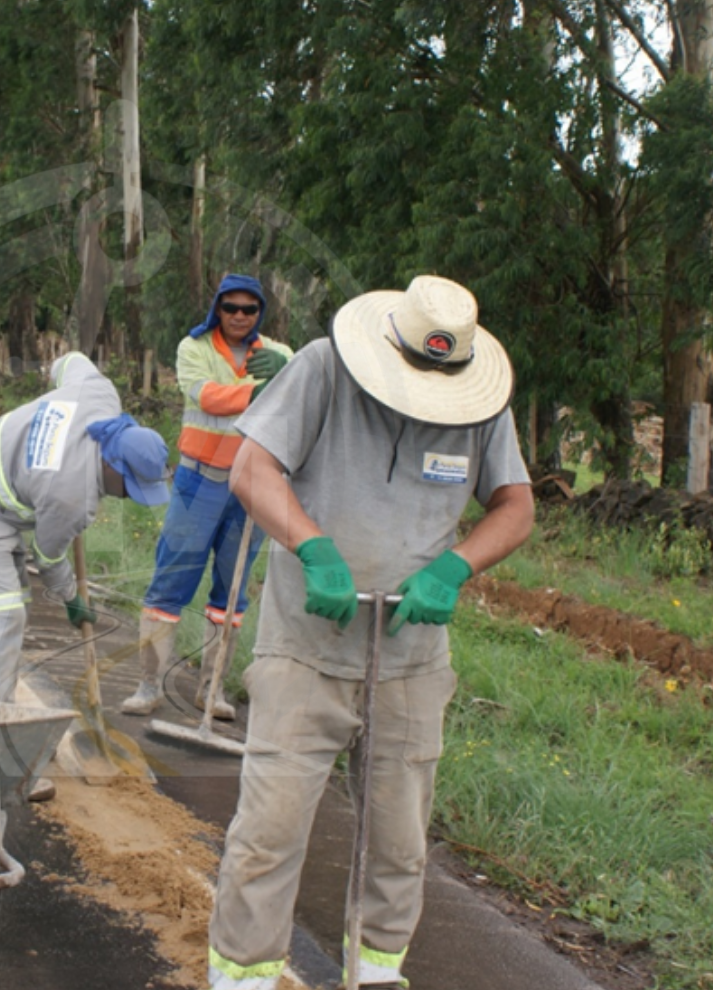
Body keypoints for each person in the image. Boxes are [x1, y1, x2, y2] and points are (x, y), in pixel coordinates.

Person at [206, 275, 535, 990]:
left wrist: (455, 566)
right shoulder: (324, 367)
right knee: (270, 831)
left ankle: (377, 972)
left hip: (411, 658)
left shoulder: (480, 400)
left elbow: (515, 505)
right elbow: (253, 469)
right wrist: (310, 544)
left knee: (398, 840)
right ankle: (243, 977)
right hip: (307, 647)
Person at [0, 352, 171, 797]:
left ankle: (4, 722)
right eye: (129, 489)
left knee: (11, 614)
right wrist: (74, 599)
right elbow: (49, 557)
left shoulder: (98, 394)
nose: (127, 499)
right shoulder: (71, 496)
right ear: (112, 464)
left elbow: (70, 360)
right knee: (2, 618)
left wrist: (54, 399)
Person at [123, 274, 293, 719]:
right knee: (171, 580)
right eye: (230, 308)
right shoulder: (193, 348)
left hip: (253, 486)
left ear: (260, 313)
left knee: (232, 591)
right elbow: (209, 398)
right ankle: (149, 685)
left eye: (249, 309)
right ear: (217, 308)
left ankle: (211, 690)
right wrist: (265, 388)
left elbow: (298, 403)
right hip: (200, 482)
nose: (239, 316)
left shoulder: (281, 356)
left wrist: (287, 377)